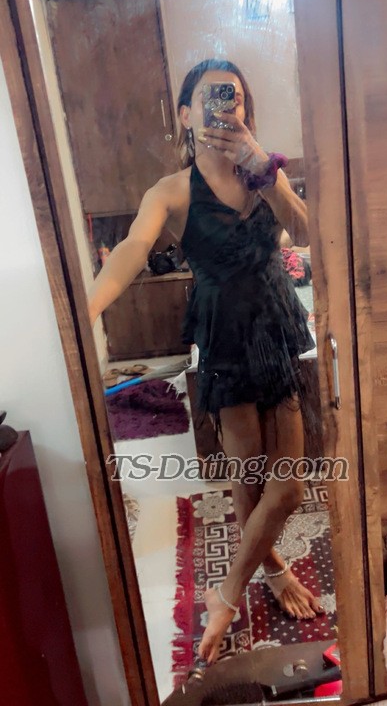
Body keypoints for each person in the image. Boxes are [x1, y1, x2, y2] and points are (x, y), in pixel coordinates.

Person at [88, 59, 323, 665]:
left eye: (234, 97)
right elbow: (132, 250)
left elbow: (306, 233)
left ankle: (226, 592)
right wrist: (84, 310)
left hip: (275, 322)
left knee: (288, 487)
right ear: (186, 114)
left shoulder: (265, 173)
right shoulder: (170, 191)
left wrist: (264, 169)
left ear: (245, 110)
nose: (225, 107)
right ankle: (270, 567)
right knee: (248, 474)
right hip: (223, 333)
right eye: (211, 97)